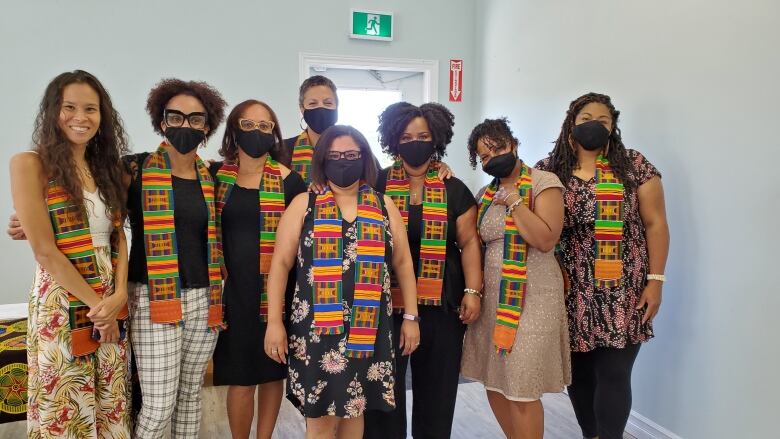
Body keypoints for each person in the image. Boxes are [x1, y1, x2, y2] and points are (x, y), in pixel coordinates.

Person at [264, 125, 421, 439]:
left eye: (351, 155)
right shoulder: (303, 204)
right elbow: (280, 265)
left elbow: (403, 263)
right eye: (335, 156)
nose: (343, 162)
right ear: (322, 161)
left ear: (364, 159)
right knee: (320, 422)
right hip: (317, 333)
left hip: (369, 330)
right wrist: (273, 323)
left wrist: (411, 318)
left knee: (354, 413)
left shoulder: (383, 205)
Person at [536, 92, 669, 439]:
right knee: (579, 376)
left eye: (604, 121)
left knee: (614, 372)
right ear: (571, 124)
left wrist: (655, 281)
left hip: (624, 287)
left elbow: (655, 223)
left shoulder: (634, 166)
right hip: (570, 287)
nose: (594, 125)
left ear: (613, 127)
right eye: (586, 119)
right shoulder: (548, 171)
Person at [10, 70, 131, 437]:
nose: (81, 117)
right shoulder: (30, 164)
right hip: (62, 300)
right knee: (65, 401)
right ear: (53, 112)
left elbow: (118, 236)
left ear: (102, 116)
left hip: (109, 295)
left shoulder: (107, 168)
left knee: (109, 400)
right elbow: (45, 251)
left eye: (90, 109)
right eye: (70, 108)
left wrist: (120, 295)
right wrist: (99, 308)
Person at [363, 102, 482, 439]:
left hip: (441, 307)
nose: (415, 142)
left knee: (437, 393)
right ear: (393, 140)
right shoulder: (376, 184)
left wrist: (473, 291)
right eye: (406, 136)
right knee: (384, 394)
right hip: (384, 307)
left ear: (436, 140)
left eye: (423, 136)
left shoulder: (453, 188)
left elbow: (469, 243)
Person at [124, 78, 227, 438]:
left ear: (207, 127)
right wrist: (26, 222)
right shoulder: (133, 169)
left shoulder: (212, 175)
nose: (186, 125)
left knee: (189, 397)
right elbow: (92, 208)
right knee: (158, 404)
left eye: (196, 119)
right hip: (154, 298)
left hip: (205, 298)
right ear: (161, 120)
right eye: (177, 117)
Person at [460, 118, 570, 439]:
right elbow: (472, 244)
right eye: (483, 157)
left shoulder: (543, 182)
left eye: (497, 148)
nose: (492, 158)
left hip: (533, 300)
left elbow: (546, 239)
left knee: (521, 387)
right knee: (494, 384)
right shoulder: (484, 194)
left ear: (514, 143)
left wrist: (515, 202)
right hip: (493, 302)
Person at [210, 99, 306, 439]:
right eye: (248, 125)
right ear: (234, 131)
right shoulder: (216, 176)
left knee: (271, 374)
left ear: (275, 134)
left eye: (265, 126)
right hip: (233, 293)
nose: (257, 132)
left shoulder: (292, 182)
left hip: (277, 292)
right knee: (240, 379)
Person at [283, 75, 340, 185]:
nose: (321, 108)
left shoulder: (354, 149)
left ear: (337, 107)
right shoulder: (282, 150)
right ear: (302, 109)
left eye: (328, 103)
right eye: (312, 103)